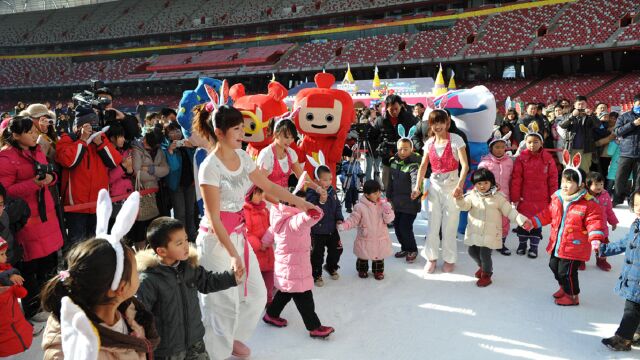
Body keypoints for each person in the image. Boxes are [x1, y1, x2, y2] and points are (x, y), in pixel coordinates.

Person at [192, 99, 317, 360]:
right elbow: (214, 218)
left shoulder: (242, 156)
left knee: (258, 296)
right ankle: (217, 352)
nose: (243, 133)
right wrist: (234, 256)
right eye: (237, 129)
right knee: (222, 303)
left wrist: (300, 202)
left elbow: (269, 186)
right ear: (219, 133)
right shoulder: (209, 167)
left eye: (242, 128)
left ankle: (231, 339)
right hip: (217, 242)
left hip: (238, 235)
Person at [136, 217, 241, 360]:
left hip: (195, 340)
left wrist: (231, 277)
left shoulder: (189, 267)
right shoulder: (149, 280)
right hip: (168, 349)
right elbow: (140, 313)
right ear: (162, 251)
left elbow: (207, 281)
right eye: (179, 243)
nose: (186, 246)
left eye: (186, 239)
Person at [41, 239, 160, 359]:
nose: (139, 274)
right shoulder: (73, 351)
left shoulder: (129, 310)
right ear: (121, 288)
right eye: (136, 271)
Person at [0, 116, 63, 322]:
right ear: (16, 135)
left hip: (47, 217)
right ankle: (33, 309)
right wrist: (33, 183)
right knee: (30, 266)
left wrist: (50, 178)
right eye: (30, 132)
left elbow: (51, 173)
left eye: (35, 131)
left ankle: (49, 302)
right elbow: (5, 193)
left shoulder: (37, 150)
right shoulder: (5, 159)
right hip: (27, 221)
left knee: (47, 263)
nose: (36, 135)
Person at [529, 152, 605, 306]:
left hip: (574, 246)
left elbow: (594, 222)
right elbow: (548, 214)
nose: (565, 184)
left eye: (570, 182)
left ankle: (572, 296)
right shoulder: (558, 198)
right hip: (558, 242)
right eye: (563, 180)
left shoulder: (588, 204)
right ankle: (564, 287)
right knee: (553, 266)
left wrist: (596, 238)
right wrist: (533, 222)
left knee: (567, 272)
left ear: (581, 185)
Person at [261, 189, 335, 338]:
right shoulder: (295, 220)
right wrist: (315, 208)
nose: (305, 206)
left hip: (287, 266)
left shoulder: (279, 217)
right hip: (295, 267)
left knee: (285, 292)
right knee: (304, 297)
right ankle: (314, 327)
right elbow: (314, 216)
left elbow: (269, 235)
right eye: (302, 203)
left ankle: (271, 314)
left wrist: (264, 243)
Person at [56, 105, 122, 246]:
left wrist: (100, 143)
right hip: (76, 206)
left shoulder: (101, 138)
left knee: (96, 244)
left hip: (98, 204)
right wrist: (83, 140)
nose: (92, 129)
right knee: (77, 245)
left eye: (93, 125)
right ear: (78, 126)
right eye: (88, 125)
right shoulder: (67, 140)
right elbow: (69, 161)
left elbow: (115, 161)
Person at [413, 110, 469, 273]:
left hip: (452, 187)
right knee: (433, 223)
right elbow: (423, 166)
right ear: (430, 125)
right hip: (434, 186)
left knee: (450, 225)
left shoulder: (456, 140)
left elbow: (464, 165)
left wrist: (460, 185)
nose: (438, 126)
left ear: (447, 123)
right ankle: (431, 257)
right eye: (434, 123)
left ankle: (449, 258)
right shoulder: (429, 143)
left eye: (441, 122)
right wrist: (418, 187)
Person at [455, 168, 530, 287]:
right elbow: (464, 206)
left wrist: (522, 220)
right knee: (472, 251)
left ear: (491, 183)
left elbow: (509, 211)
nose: (482, 186)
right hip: (475, 231)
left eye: (485, 183)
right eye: (479, 183)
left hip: (490, 233)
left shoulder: (498, 198)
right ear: (475, 184)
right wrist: (459, 199)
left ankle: (487, 274)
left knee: (485, 255)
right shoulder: (471, 196)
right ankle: (482, 267)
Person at [598, 190, 640, 351]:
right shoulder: (636, 224)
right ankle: (637, 333)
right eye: (636, 204)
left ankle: (623, 339)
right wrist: (605, 249)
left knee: (631, 309)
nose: (638, 208)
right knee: (636, 308)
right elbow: (625, 242)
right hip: (633, 276)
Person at [510, 122, 558, 258]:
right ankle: (522, 244)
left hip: (541, 199)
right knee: (523, 222)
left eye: (535, 142)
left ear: (541, 143)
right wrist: (515, 197)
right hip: (524, 198)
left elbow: (553, 179)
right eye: (529, 142)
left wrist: (553, 198)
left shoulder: (548, 159)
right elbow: (516, 179)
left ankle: (534, 247)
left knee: (537, 223)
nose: (532, 145)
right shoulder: (521, 159)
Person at [339, 180, 394, 279]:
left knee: (379, 255)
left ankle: (378, 271)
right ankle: (362, 270)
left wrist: (388, 210)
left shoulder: (382, 205)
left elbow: (389, 220)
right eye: (374, 193)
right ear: (366, 195)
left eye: (378, 192)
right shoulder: (360, 207)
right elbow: (353, 219)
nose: (378, 194)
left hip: (380, 237)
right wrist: (345, 225)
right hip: (365, 236)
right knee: (363, 255)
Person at [306, 161, 344, 287]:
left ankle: (331, 266)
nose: (328, 182)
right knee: (317, 254)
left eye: (330, 179)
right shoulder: (311, 192)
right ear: (316, 181)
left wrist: (339, 218)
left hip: (332, 229)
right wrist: (321, 201)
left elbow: (337, 206)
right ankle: (316, 274)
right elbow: (311, 209)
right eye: (324, 180)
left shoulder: (332, 191)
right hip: (317, 231)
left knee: (337, 249)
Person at [478, 129, 515, 255]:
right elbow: (480, 180)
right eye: (497, 147)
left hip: (505, 197)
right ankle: (487, 242)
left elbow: (512, 179)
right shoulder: (485, 162)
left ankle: (501, 243)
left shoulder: (509, 161)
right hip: (489, 198)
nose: (500, 150)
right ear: (491, 148)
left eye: (502, 147)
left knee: (504, 220)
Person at [131, 130, 169, 250]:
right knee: (140, 226)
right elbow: (137, 173)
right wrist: (157, 175)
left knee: (154, 224)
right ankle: (141, 253)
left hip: (156, 193)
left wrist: (150, 169)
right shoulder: (136, 150)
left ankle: (152, 251)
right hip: (142, 194)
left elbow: (166, 169)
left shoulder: (158, 150)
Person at [371, 94, 417, 192]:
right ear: (386, 108)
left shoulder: (409, 118)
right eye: (391, 109)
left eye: (396, 108)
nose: (394, 112)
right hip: (387, 159)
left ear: (401, 106)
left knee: (405, 185)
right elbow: (373, 137)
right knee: (387, 185)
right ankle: (389, 205)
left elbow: (416, 134)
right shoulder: (381, 120)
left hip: (405, 159)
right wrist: (379, 149)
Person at [388, 133, 421, 263]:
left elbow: (415, 179)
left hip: (410, 202)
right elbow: (391, 181)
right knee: (397, 226)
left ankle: (412, 249)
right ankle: (405, 248)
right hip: (397, 202)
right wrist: (389, 196)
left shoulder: (414, 164)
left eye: (406, 149)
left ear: (411, 149)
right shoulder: (394, 162)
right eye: (400, 148)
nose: (403, 151)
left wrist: (415, 190)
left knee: (405, 227)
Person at [161, 122, 197, 240]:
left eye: (177, 130)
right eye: (172, 132)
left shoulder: (186, 143)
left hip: (190, 183)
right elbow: (174, 167)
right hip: (176, 185)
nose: (176, 134)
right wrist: (171, 152)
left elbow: (194, 162)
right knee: (180, 213)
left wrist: (191, 148)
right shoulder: (165, 147)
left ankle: (192, 236)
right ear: (167, 134)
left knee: (191, 211)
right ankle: (181, 237)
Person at [0, 237, 33, 357]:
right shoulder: (7, 276)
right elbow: (22, 293)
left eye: (5, 253)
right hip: (7, 330)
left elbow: (22, 293)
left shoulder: (8, 271)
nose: (5, 257)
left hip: (14, 325)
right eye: (1, 254)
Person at [243, 186, 275, 306]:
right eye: (257, 193)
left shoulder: (264, 209)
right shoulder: (246, 211)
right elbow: (247, 232)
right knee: (256, 278)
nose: (261, 196)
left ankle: (269, 299)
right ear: (249, 195)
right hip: (255, 252)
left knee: (269, 276)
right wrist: (259, 245)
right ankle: (258, 301)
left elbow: (270, 226)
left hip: (267, 249)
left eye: (261, 193)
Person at [583, 172, 617, 271]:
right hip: (586, 227)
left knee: (603, 244)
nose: (599, 187)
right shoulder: (584, 196)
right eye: (596, 184)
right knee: (584, 245)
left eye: (601, 184)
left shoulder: (605, 195)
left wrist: (613, 221)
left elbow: (609, 211)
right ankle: (581, 260)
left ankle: (601, 260)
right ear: (588, 185)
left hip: (601, 227)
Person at [558, 96, 599, 172]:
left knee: (584, 171)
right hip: (570, 148)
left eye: (583, 104)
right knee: (568, 170)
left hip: (585, 149)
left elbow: (598, 125)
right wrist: (572, 116)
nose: (581, 106)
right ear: (574, 105)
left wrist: (591, 115)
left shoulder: (590, 117)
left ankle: (582, 184)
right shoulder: (568, 115)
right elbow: (562, 125)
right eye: (579, 104)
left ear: (586, 105)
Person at [612, 94, 640, 206]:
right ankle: (617, 199)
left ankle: (634, 203)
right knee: (620, 179)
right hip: (626, 153)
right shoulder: (624, 117)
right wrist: (633, 124)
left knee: (638, 182)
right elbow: (617, 131)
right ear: (634, 103)